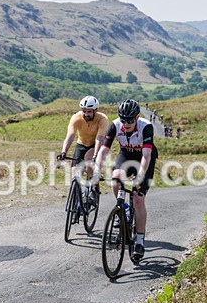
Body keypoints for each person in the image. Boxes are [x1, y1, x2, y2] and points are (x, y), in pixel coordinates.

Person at [93, 99, 158, 262]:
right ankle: (124, 208)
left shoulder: (146, 126)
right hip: (126, 155)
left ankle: (139, 241)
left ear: (136, 118)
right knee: (115, 178)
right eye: (123, 119)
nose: (126, 123)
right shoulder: (115, 125)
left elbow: (146, 156)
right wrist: (96, 171)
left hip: (144, 159)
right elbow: (103, 150)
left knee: (138, 198)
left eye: (130, 120)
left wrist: (140, 177)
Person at [57, 96, 110, 204]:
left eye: (89, 112)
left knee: (89, 161)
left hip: (95, 145)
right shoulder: (76, 117)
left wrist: (95, 155)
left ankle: (93, 189)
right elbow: (70, 135)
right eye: (84, 111)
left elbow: (99, 139)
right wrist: (63, 152)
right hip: (81, 145)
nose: (86, 114)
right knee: (74, 174)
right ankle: (77, 200)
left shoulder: (102, 119)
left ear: (96, 110)